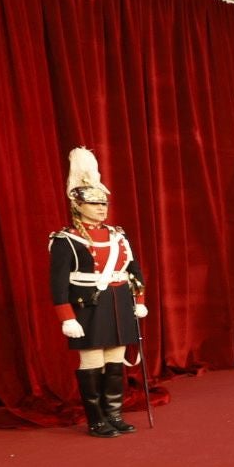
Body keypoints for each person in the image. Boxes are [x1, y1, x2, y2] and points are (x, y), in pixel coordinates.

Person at [49, 148, 148, 438]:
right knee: (92, 362)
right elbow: (57, 283)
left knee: (116, 361)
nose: (101, 209)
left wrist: (139, 301)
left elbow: (134, 272)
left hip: (118, 303)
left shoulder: (119, 235)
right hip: (89, 306)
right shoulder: (66, 239)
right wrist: (66, 317)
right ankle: (96, 419)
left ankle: (114, 414)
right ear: (78, 205)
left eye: (103, 203)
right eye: (94, 204)